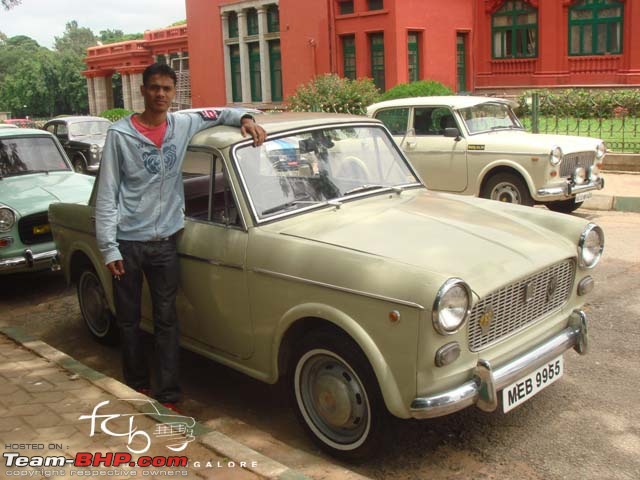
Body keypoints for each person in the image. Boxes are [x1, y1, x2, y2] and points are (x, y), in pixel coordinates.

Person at [95, 63, 266, 410]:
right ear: (142, 91)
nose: (160, 94)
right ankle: (137, 384)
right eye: (154, 88)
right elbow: (107, 192)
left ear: (174, 94)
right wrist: (108, 247)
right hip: (127, 242)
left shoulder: (183, 123)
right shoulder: (120, 134)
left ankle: (169, 393)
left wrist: (246, 118)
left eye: (167, 89)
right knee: (128, 320)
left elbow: (222, 112)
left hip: (165, 242)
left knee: (167, 320)